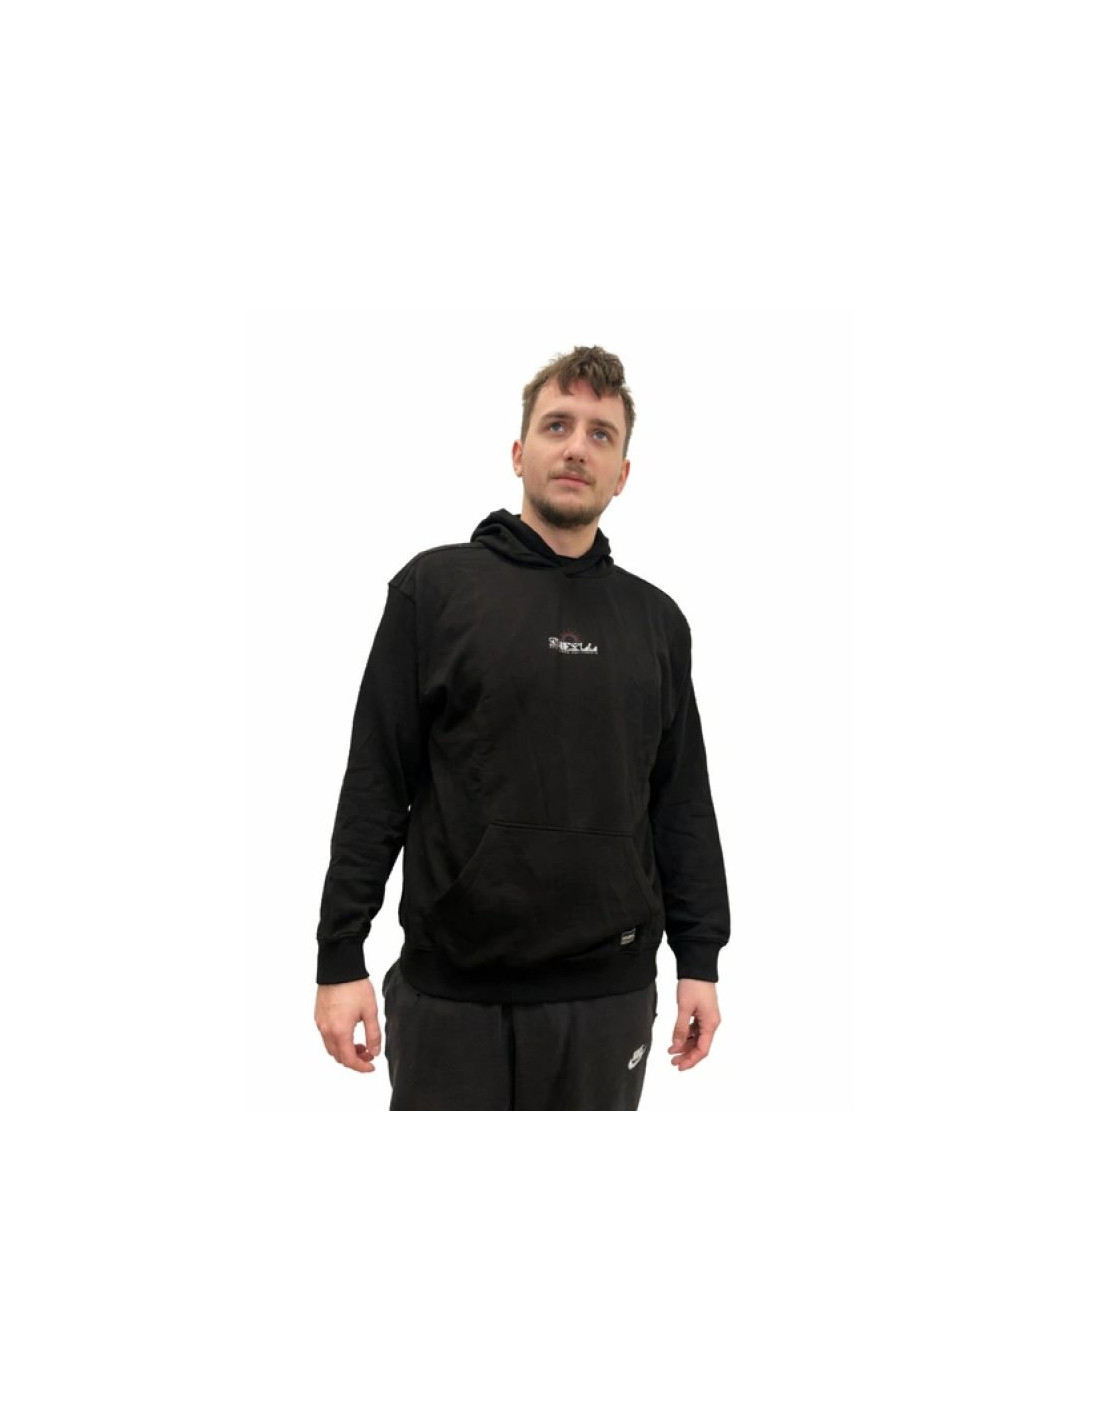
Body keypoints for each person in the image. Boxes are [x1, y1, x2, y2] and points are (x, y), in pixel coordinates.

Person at [313, 345, 730, 1109]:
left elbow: (680, 804)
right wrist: (340, 955)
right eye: (557, 425)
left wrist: (699, 958)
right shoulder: (435, 591)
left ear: (623, 473)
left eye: (601, 434)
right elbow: (377, 782)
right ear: (518, 452)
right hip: (453, 994)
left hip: (607, 996)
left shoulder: (656, 623)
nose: (577, 447)